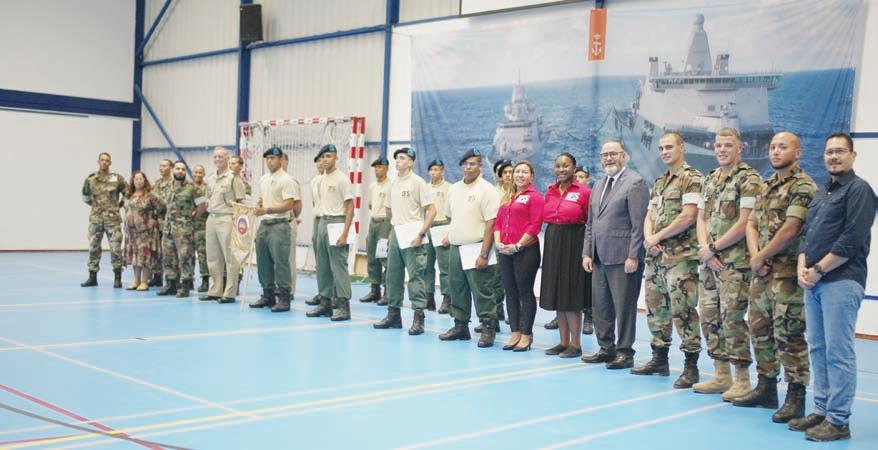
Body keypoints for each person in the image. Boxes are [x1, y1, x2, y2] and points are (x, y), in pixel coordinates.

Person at [793, 132, 876, 441]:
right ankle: (822, 410)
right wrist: (802, 265)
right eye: (829, 152)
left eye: (840, 151)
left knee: (838, 352)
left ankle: (838, 420)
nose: (834, 156)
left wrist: (818, 269)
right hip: (814, 283)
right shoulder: (822, 193)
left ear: (853, 155)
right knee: (817, 348)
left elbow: (851, 239)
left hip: (841, 281)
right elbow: (808, 235)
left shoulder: (859, 190)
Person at [733, 132, 816, 422]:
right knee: (759, 329)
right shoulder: (767, 185)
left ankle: (796, 396)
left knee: (788, 334)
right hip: (763, 272)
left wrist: (760, 257)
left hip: (787, 275)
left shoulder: (803, 186)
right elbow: (751, 224)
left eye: (783, 147)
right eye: (773, 147)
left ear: (798, 152)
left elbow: (791, 229)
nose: (776, 151)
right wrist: (757, 256)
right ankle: (766, 387)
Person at [692, 128, 763, 399]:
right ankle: (721, 375)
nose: (722, 149)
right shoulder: (710, 179)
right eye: (719, 145)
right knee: (709, 317)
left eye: (728, 145)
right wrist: (705, 250)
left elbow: (745, 222)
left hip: (735, 263)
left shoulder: (749, 179)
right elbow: (701, 218)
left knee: (732, 318)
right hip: (709, 262)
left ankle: (742, 379)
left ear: (740, 148)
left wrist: (713, 248)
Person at [634, 132, 703, 388]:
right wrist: (649, 238)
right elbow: (650, 214)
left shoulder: (692, 178)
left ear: (681, 148)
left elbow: (688, 216)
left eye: (669, 147)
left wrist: (657, 236)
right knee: (655, 308)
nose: (664, 152)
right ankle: (659, 359)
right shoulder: (661, 181)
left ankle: (690, 366)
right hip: (656, 257)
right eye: (661, 148)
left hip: (681, 257)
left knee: (683, 310)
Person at [581, 141, 649, 369]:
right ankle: (606, 348)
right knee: (600, 306)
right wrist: (587, 252)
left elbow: (638, 224)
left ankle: (625, 352)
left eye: (613, 154)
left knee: (624, 307)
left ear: (624, 156)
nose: (608, 158)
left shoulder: (635, 182)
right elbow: (591, 223)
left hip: (623, 257)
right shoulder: (599, 185)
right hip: (598, 257)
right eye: (604, 155)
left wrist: (634, 255)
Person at [438, 148, 501, 347]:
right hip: (456, 247)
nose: (468, 167)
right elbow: (449, 217)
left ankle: (488, 327)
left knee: (482, 290)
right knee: (457, 288)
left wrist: (484, 253)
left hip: (477, 247)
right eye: (465, 164)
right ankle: (460, 326)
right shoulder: (454, 188)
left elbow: (491, 223)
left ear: (480, 166)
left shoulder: (487, 190)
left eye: (473, 163)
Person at [373, 147, 436, 334]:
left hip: (414, 234)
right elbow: (388, 209)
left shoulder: (418, 183)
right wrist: (394, 228)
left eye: (402, 158)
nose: (398, 161)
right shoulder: (392, 184)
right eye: (397, 158)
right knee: (392, 275)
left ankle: (419, 316)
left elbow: (432, 210)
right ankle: (393, 315)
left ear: (410, 162)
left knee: (416, 276)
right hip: (397, 233)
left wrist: (421, 233)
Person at [540, 152, 591, 358]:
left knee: (571, 294)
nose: (561, 169)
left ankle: (576, 344)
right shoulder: (550, 191)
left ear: (574, 168)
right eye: (558, 166)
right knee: (557, 293)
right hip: (553, 240)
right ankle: (563, 342)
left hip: (574, 241)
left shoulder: (584, 192)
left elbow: (590, 221)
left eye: (566, 165)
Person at [494, 161, 544, 351]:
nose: (520, 175)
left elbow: (535, 225)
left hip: (525, 251)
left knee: (525, 292)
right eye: (517, 171)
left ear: (532, 176)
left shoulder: (535, 197)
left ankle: (526, 334)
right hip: (505, 252)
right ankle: (515, 332)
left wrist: (518, 245)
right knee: (510, 292)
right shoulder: (508, 197)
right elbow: (498, 224)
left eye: (524, 172)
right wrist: (498, 243)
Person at [306, 144, 355, 321]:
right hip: (322, 222)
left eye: (328, 156)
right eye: (322, 157)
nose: (325, 160)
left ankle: (343, 306)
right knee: (323, 265)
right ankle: (325, 303)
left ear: (336, 158)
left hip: (337, 223)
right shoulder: (320, 180)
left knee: (338, 266)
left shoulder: (342, 179)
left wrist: (345, 233)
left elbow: (350, 207)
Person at [249, 147, 299, 312]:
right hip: (264, 224)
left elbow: (289, 204)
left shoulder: (287, 180)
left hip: (279, 224)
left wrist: (267, 210)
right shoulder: (263, 179)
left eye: (273, 158)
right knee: (263, 261)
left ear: (280, 159)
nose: (269, 161)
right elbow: (263, 198)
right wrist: (260, 204)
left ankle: (284, 297)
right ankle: (268, 294)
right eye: (267, 158)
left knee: (281, 262)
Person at [199, 148, 247, 303]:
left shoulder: (233, 178)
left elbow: (241, 202)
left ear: (227, 158)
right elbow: (206, 198)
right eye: (215, 157)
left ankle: (230, 293)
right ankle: (216, 290)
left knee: (230, 257)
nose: (217, 159)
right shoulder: (210, 178)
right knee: (213, 257)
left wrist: (238, 222)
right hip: (211, 218)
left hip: (227, 219)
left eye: (220, 156)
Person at [158, 161, 207, 297]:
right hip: (168, 228)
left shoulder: (192, 187)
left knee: (185, 257)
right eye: (178, 168)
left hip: (184, 229)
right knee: (168, 257)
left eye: (183, 169)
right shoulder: (167, 186)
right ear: (173, 170)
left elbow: (203, 205)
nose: (180, 171)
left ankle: (185, 285)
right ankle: (171, 284)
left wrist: (192, 218)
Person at [80, 152, 127, 288]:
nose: (104, 162)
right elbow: (85, 196)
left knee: (116, 249)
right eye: (102, 160)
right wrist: (96, 206)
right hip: (96, 219)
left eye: (107, 160)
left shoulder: (117, 178)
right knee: (93, 248)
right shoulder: (91, 179)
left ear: (110, 163)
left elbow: (128, 193)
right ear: (98, 162)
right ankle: (92, 277)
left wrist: (118, 205)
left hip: (113, 220)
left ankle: (117, 277)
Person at [122, 172, 165, 290]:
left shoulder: (150, 195)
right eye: (136, 179)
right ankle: (136, 281)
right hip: (132, 232)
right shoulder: (129, 195)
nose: (138, 181)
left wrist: (155, 219)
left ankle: (144, 281)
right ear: (133, 181)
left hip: (146, 231)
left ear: (145, 180)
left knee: (146, 255)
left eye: (141, 179)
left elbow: (162, 208)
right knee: (135, 256)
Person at [360, 156, 391, 304]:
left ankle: (388, 292)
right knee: (372, 257)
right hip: (373, 223)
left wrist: (390, 230)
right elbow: (371, 205)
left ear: (386, 169)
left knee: (384, 258)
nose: (377, 170)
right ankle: (375, 290)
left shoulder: (391, 185)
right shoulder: (372, 186)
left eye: (380, 167)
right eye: (376, 167)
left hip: (385, 222)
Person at [425, 159, 452, 314]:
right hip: (428, 226)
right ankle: (428, 296)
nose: (433, 173)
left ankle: (447, 298)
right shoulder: (425, 188)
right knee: (426, 265)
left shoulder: (449, 188)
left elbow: (453, 211)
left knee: (444, 266)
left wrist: (449, 231)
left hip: (442, 225)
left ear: (442, 171)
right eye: (431, 170)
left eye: (436, 170)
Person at [280, 153, 304, 298]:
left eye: (281, 159)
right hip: (272, 223)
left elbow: (297, 204)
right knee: (275, 259)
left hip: (287, 221)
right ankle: (276, 288)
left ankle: (288, 290)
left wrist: (292, 218)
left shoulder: (291, 181)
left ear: (286, 162)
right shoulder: (267, 180)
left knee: (288, 258)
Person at [305, 155, 328, 307]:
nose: (320, 164)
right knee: (320, 260)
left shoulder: (331, 179)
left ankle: (333, 294)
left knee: (330, 260)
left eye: (322, 160)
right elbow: (315, 202)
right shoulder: (314, 181)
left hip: (329, 219)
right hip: (317, 219)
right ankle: (322, 292)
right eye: (317, 161)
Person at [149, 159, 175, 288]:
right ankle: (157, 276)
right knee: (156, 250)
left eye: (164, 166)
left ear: (171, 168)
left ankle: (172, 278)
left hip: (169, 222)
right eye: (160, 166)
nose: (161, 168)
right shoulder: (155, 184)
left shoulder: (174, 183)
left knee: (169, 252)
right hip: (156, 222)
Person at [191, 165, 210, 292]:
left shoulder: (206, 188)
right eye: (196, 172)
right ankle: (188, 279)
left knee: (203, 255)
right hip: (187, 227)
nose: (198, 174)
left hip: (202, 226)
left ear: (204, 174)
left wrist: (193, 213)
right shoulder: (187, 187)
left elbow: (205, 206)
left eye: (200, 172)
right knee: (187, 255)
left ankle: (205, 280)